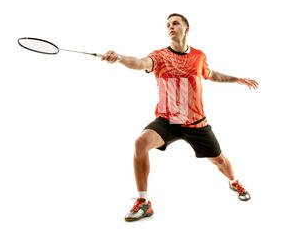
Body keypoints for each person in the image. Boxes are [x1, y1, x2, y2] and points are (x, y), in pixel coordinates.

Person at [101, 13, 259, 222]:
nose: (170, 27)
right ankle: (143, 202)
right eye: (168, 24)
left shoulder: (198, 56)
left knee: (220, 161)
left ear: (186, 29)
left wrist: (236, 79)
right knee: (140, 143)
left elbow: (210, 74)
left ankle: (234, 181)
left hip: (195, 123)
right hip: (168, 120)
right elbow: (139, 63)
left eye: (175, 23)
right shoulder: (159, 57)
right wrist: (120, 58)